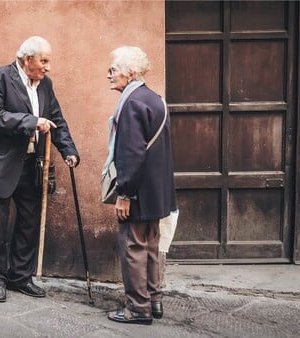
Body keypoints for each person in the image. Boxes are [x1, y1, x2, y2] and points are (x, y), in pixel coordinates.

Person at [0, 36, 80, 302]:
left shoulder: (46, 85)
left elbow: (56, 119)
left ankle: (20, 276)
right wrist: (31, 121)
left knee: (29, 223)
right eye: (44, 60)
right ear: (27, 59)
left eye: (48, 61)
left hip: (31, 165)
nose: (48, 67)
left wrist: (69, 150)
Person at [104, 46, 177, 324]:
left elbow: (132, 153)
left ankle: (137, 308)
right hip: (156, 192)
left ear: (131, 72)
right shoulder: (154, 99)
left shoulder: (132, 103)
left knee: (133, 246)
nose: (109, 74)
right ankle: (154, 299)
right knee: (150, 245)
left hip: (137, 192)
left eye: (114, 69)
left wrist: (124, 193)